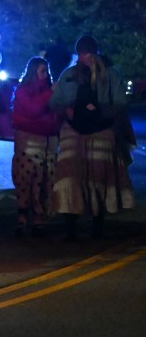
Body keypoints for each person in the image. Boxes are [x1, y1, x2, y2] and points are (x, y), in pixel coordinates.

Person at [50, 35, 134, 240]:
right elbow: (55, 102)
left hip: (101, 130)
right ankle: (70, 226)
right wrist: (68, 110)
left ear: (95, 52)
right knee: (69, 177)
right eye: (80, 54)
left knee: (98, 178)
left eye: (87, 53)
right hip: (73, 130)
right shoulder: (69, 74)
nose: (84, 57)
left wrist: (99, 111)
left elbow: (120, 103)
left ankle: (98, 225)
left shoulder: (111, 74)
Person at [10, 56, 59, 235]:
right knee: (25, 180)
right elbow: (32, 110)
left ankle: (39, 219)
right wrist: (49, 94)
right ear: (33, 73)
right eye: (42, 72)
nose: (46, 75)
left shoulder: (50, 91)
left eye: (47, 72)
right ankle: (22, 218)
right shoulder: (23, 91)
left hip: (47, 142)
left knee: (45, 181)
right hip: (28, 142)